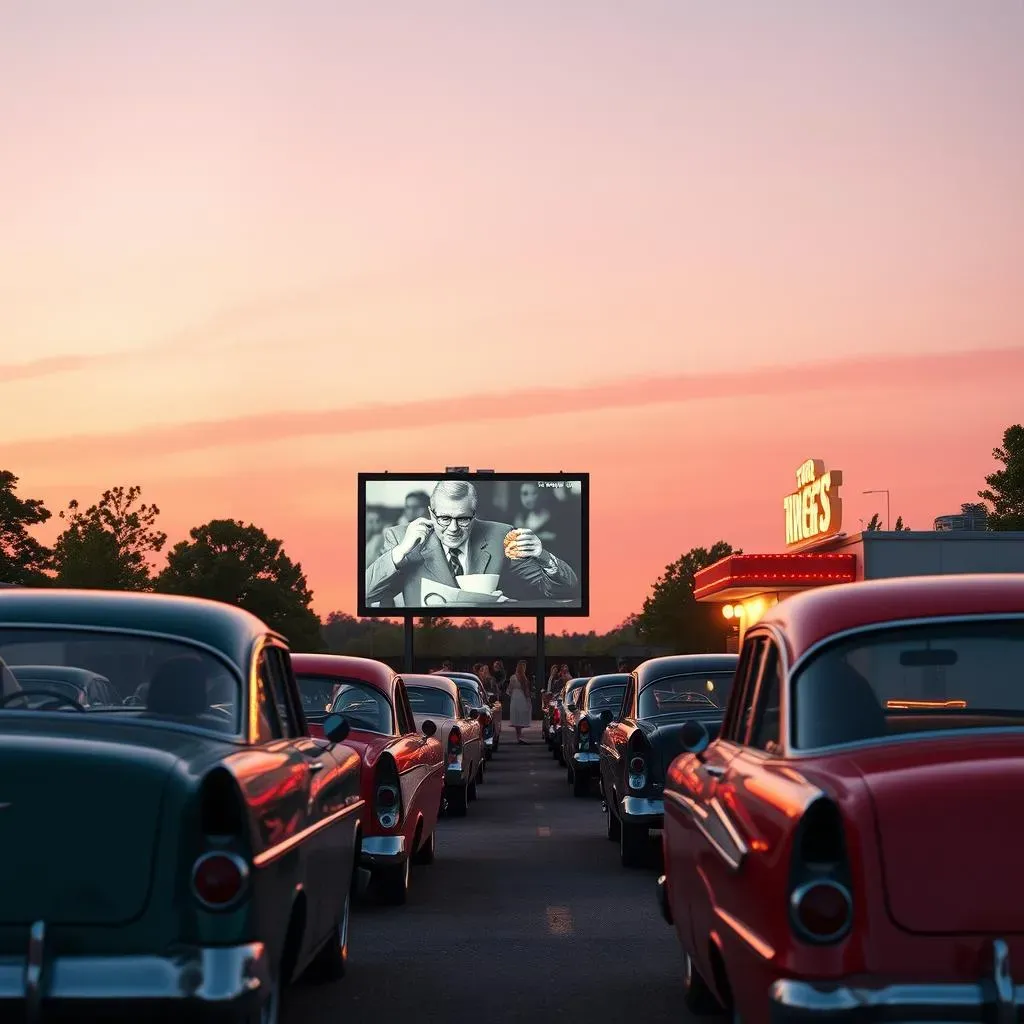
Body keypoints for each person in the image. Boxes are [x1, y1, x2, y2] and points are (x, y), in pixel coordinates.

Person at [365, 480, 579, 608]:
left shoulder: (500, 535)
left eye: (463, 519)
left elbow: (563, 590)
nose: (453, 528)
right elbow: (367, 594)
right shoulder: (400, 537)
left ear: (474, 515)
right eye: (444, 518)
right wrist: (399, 552)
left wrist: (543, 556)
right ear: (431, 513)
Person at [508, 660, 532, 743]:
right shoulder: (524, 678)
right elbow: (526, 691)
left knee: (516, 716)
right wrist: (528, 699)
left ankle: (518, 736)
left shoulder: (513, 677)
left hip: (515, 697)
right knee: (521, 716)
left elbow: (509, 690)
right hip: (522, 697)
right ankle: (520, 736)